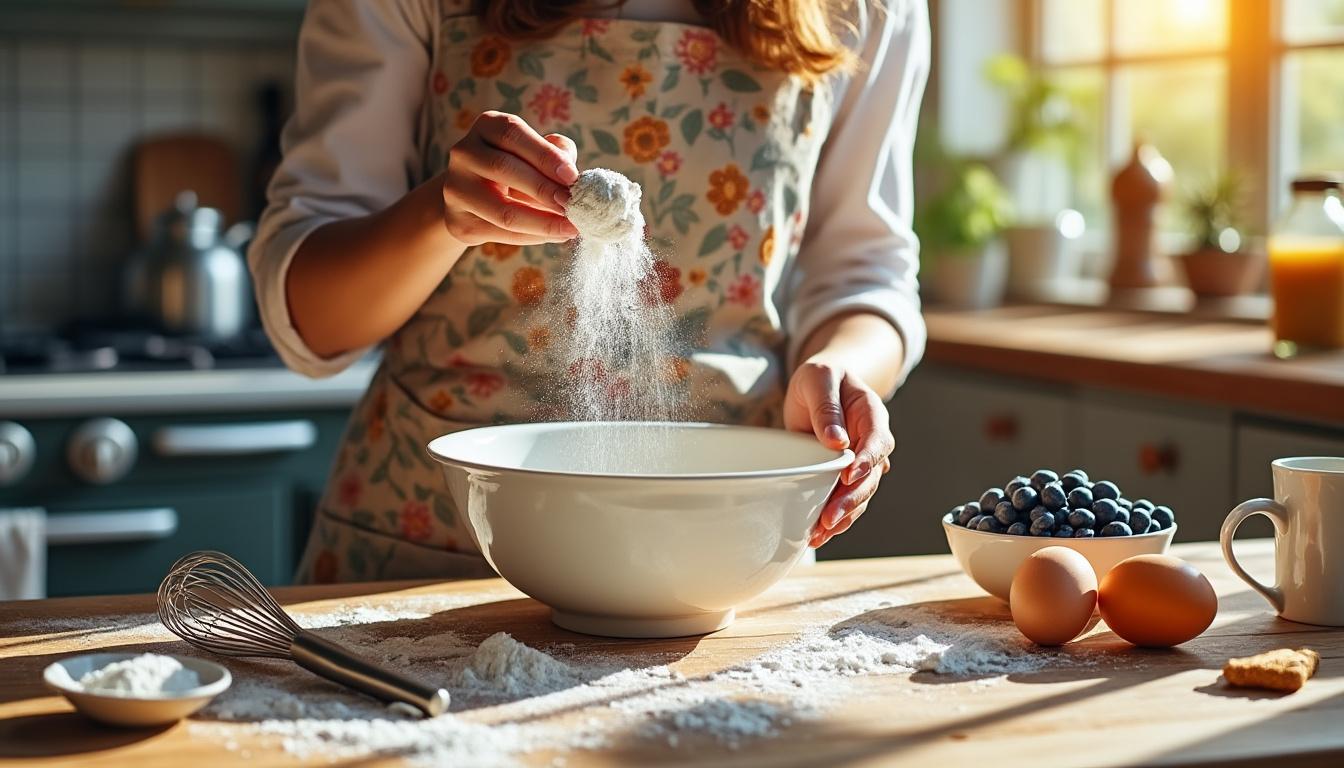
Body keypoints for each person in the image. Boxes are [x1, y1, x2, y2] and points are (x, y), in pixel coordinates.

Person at [250, 0, 929, 583]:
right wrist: (442, 216)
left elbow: (864, 271)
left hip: (727, 551)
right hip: (428, 550)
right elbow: (313, 321)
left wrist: (839, 370)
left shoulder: (861, 8)